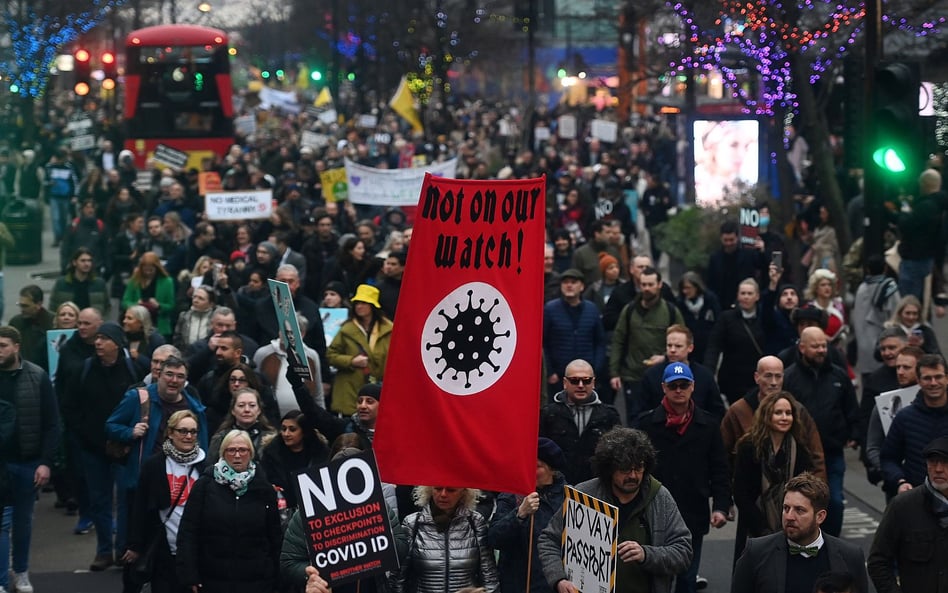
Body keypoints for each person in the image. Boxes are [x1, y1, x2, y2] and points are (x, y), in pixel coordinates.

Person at [537, 427, 693, 593]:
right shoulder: (584, 495)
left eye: (638, 468)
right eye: (625, 469)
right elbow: (548, 540)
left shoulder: (660, 498)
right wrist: (559, 579)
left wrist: (646, 554)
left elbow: (683, 552)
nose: (633, 476)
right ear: (609, 469)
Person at [633, 363, 730, 593]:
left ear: (692, 386)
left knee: (687, 577)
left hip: (693, 510)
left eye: (684, 385)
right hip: (652, 511)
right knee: (654, 575)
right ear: (664, 388)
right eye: (673, 386)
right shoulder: (646, 425)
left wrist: (721, 506)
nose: (679, 390)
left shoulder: (708, 425)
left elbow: (720, 468)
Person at [63, 321, 148, 571]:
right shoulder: (84, 370)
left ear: (117, 343)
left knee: (124, 501)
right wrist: (84, 435)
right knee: (99, 501)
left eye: (104, 338)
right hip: (93, 449)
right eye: (97, 338)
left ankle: (123, 549)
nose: (98, 342)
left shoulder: (134, 367)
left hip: (125, 448)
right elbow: (69, 406)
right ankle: (103, 551)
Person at [176, 430, 283, 593]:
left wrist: (278, 577)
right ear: (223, 453)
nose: (237, 455)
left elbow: (275, 536)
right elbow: (188, 532)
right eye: (231, 450)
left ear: (251, 453)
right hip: (212, 579)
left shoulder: (264, 488)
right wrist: (190, 575)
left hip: (257, 581)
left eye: (243, 450)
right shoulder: (205, 485)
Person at [731, 472, 868, 593]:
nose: (789, 516)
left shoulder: (850, 556)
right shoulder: (756, 552)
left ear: (820, 516)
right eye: (786, 508)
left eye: (799, 510)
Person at [0, 326, 61, 593]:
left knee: (23, 522)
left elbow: (51, 424)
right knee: (1, 524)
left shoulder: (37, 376)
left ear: (16, 346)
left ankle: (21, 572)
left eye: (2, 345)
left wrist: (46, 462)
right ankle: (1, 579)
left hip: (27, 462)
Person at [783, 327, 859, 537]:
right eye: (815, 346)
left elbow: (850, 406)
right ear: (802, 347)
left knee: (834, 501)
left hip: (833, 451)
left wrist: (854, 433)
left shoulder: (839, 375)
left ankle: (831, 541)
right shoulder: (789, 377)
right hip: (801, 454)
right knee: (802, 503)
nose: (821, 350)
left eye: (823, 345)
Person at [122, 410, 207, 593]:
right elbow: (140, 506)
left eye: (193, 432)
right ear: (170, 433)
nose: (188, 436)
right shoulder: (154, 465)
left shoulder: (205, 465)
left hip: (196, 551)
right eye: (182, 431)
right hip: (162, 548)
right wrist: (135, 544)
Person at [732, 391, 816, 561]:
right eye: (778, 413)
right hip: (754, 525)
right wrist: (761, 527)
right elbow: (741, 493)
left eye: (788, 413)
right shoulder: (748, 447)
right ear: (766, 416)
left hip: (791, 527)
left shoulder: (799, 449)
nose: (784, 417)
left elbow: (806, 492)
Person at [868, 435, 948, 593]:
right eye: (933, 462)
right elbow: (878, 561)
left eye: (946, 462)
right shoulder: (902, 506)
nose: (938, 469)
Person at [488, 438, 568, 593]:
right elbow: (494, 539)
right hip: (518, 585)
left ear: (552, 470)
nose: (530, 470)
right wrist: (519, 514)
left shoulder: (569, 497)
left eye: (537, 466)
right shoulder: (511, 496)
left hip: (554, 584)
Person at [392, 485, 499, 593]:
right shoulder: (413, 523)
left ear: (463, 492)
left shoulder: (475, 522)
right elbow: (398, 576)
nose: (443, 494)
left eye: (451, 490)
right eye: (438, 489)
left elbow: (489, 574)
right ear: (429, 490)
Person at [610, 266, 684, 419]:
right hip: (633, 375)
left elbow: (683, 340)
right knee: (635, 419)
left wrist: (664, 357)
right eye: (643, 285)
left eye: (650, 284)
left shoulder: (670, 311)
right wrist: (614, 372)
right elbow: (618, 340)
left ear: (659, 285)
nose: (647, 288)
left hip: (662, 376)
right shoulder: (629, 310)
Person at [539, 359, 621, 484]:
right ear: (565, 383)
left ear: (593, 382)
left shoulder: (609, 415)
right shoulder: (549, 414)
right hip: (558, 487)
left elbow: (617, 454)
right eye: (575, 380)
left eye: (586, 380)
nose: (581, 385)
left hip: (597, 487)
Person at [880, 353, 948, 493]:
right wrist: (900, 481)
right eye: (927, 378)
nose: (933, 383)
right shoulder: (904, 417)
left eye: (938, 377)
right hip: (917, 496)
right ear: (918, 380)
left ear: (947, 378)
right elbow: (888, 458)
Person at [326, 284, 392, 416]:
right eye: (357, 303)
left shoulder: (389, 330)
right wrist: (351, 361)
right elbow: (330, 355)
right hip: (349, 390)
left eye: (363, 303)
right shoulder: (347, 329)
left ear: (372, 306)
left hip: (379, 390)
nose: (359, 306)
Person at [639, 325, 725, 420]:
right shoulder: (651, 375)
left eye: (678, 346)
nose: (672, 350)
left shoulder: (704, 376)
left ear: (690, 348)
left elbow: (717, 412)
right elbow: (640, 412)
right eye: (669, 345)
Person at [704, 278, 766, 404]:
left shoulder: (764, 318)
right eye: (743, 293)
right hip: (732, 379)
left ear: (757, 296)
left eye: (749, 294)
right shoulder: (726, 318)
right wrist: (708, 372)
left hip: (757, 377)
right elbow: (714, 346)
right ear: (737, 296)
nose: (746, 297)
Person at [544, 269, 607, 391]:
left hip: (586, 376)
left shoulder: (592, 309)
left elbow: (600, 342)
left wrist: (595, 369)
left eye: (573, 282)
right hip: (559, 376)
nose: (569, 285)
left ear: (582, 286)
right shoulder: (550, 309)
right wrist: (550, 372)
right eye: (565, 282)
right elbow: (543, 343)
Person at [896, 168, 944, 300]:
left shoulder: (926, 206)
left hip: (914, 258)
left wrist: (904, 211)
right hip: (929, 257)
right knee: (923, 298)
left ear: (923, 184)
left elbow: (907, 225)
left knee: (909, 299)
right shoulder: (941, 204)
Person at [704, 220, 765, 310]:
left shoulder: (749, 254)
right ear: (721, 238)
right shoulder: (714, 258)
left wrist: (762, 251)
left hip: (746, 302)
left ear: (737, 238)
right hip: (722, 305)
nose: (728, 243)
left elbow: (763, 266)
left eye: (731, 240)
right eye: (726, 240)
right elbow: (710, 283)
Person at [207, 388, 277, 464]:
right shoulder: (220, 438)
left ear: (259, 410)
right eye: (241, 405)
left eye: (252, 405)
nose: (247, 409)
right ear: (233, 410)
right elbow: (210, 467)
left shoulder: (271, 439)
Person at [122, 252, 176, 340]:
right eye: (145, 269)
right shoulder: (134, 281)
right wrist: (135, 306)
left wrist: (159, 305)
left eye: (151, 270)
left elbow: (171, 305)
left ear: (157, 268)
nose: (148, 273)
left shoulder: (167, 282)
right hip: (137, 327)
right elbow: (125, 302)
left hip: (159, 325)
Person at [49, 247, 111, 316]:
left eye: (89, 261)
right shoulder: (62, 283)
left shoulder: (99, 284)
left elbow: (107, 308)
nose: (87, 264)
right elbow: (53, 308)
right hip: (69, 324)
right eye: (83, 261)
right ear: (74, 262)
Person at [675, 272, 721, 364]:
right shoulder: (679, 303)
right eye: (683, 288)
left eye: (688, 288)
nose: (685, 291)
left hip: (707, 347)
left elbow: (718, 321)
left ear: (696, 287)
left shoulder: (710, 300)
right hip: (688, 348)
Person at [9, 285, 54, 370]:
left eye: (25, 306)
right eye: (20, 305)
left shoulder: (52, 323)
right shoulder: (15, 323)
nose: (22, 309)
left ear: (38, 304)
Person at [172, 285, 217, 350]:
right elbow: (177, 339)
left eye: (201, 298)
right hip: (187, 355)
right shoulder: (184, 316)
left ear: (211, 304)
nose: (195, 300)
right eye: (194, 297)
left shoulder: (216, 317)